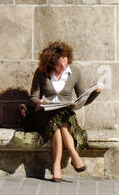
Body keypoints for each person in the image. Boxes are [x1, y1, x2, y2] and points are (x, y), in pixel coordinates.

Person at [28, 40, 93, 183]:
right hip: (44, 114)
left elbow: (83, 97)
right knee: (56, 122)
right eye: (60, 61)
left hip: (65, 114)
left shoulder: (74, 72)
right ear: (51, 62)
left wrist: (95, 93)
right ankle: (74, 156)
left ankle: (56, 166)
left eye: (65, 59)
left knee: (58, 123)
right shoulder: (41, 72)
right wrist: (38, 102)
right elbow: (33, 96)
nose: (64, 64)